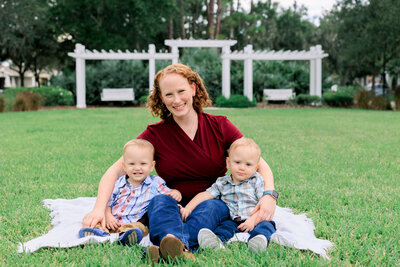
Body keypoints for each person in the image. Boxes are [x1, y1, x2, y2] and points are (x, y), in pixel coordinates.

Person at [82, 63, 277, 260]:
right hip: (172, 201)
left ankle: (170, 247)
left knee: (212, 208)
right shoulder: (155, 134)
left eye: (181, 91)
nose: (176, 100)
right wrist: (99, 208)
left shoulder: (220, 125)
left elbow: (258, 161)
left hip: (211, 200)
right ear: (161, 98)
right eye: (169, 94)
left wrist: (269, 195)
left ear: (193, 89)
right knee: (158, 201)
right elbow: (116, 170)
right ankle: (174, 245)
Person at [180, 137, 277, 253]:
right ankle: (216, 243)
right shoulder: (222, 183)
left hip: (255, 218)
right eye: (237, 162)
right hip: (233, 220)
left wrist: (253, 220)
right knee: (223, 228)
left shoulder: (257, 181)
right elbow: (205, 195)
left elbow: (263, 204)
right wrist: (189, 208)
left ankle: (257, 242)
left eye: (248, 164)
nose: (242, 167)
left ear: (256, 168)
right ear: (228, 163)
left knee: (266, 225)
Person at [79, 139, 182, 246]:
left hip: (134, 222)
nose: (137, 168)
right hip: (113, 220)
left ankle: (127, 237)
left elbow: (166, 198)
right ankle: (98, 232)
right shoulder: (119, 183)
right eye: (132, 164)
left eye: (143, 163)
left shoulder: (156, 183)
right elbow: (108, 202)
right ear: (124, 166)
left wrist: (175, 192)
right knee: (96, 221)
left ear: (152, 166)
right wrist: (108, 215)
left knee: (139, 228)